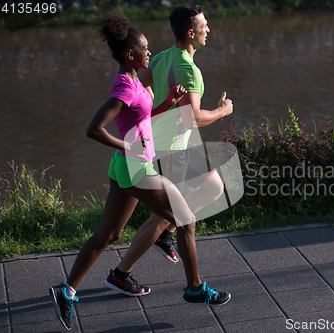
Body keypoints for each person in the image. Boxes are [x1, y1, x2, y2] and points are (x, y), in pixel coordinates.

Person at [49, 12, 199, 331]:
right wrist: (127, 146)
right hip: (135, 165)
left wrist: (165, 105)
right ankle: (196, 290)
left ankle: (67, 291)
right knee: (185, 219)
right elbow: (94, 129)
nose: (150, 52)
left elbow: (139, 118)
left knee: (109, 235)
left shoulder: (131, 80)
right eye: (145, 48)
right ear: (130, 54)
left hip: (123, 166)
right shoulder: (124, 89)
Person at [137, 5, 233, 287]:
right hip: (173, 149)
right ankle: (124, 272)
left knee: (213, 188)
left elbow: (140, 88)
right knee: (168, 216)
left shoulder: (164, 57)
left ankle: (132, 263)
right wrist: (223, 111)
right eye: (204, 26)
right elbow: (194, 119)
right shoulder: (188, 69)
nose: (209, 30)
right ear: (191, 33)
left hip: (173, 146)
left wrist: (159, 106)